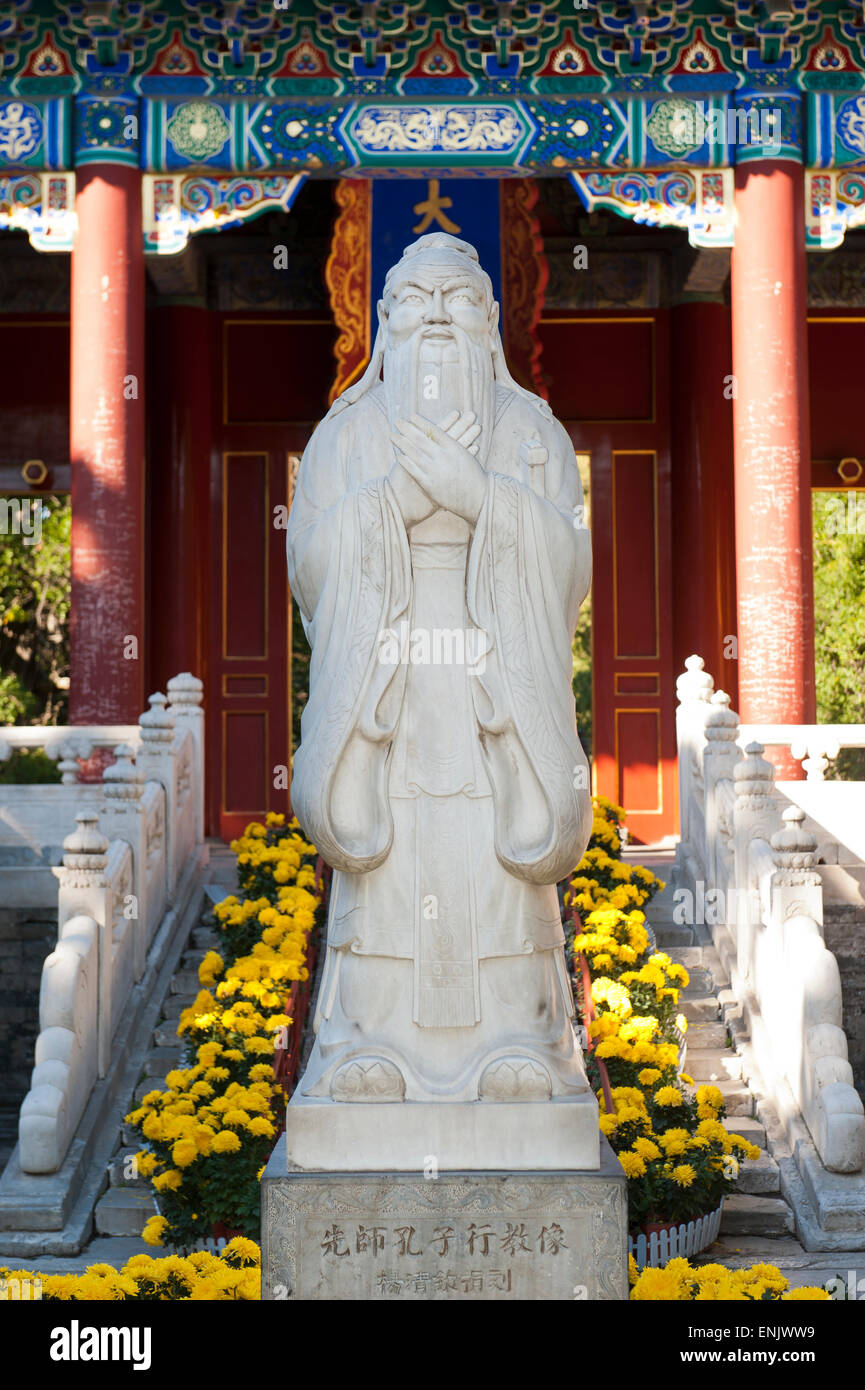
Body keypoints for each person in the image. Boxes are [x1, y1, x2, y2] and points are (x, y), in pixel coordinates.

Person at [286, 233, 593, 1104]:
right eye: (413, 302)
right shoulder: (343, 435)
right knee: (389, 868)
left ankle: (517, 1042)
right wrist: (394, 508)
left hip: (493, 694)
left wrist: (479, 497)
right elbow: (309, 563)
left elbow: (568, 567)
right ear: (382, 321)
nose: (434, 317)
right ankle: (366, 1046)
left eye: (456, 302)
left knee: (493, 860)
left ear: (490, 321)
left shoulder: (533, 430)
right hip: (387, 693)